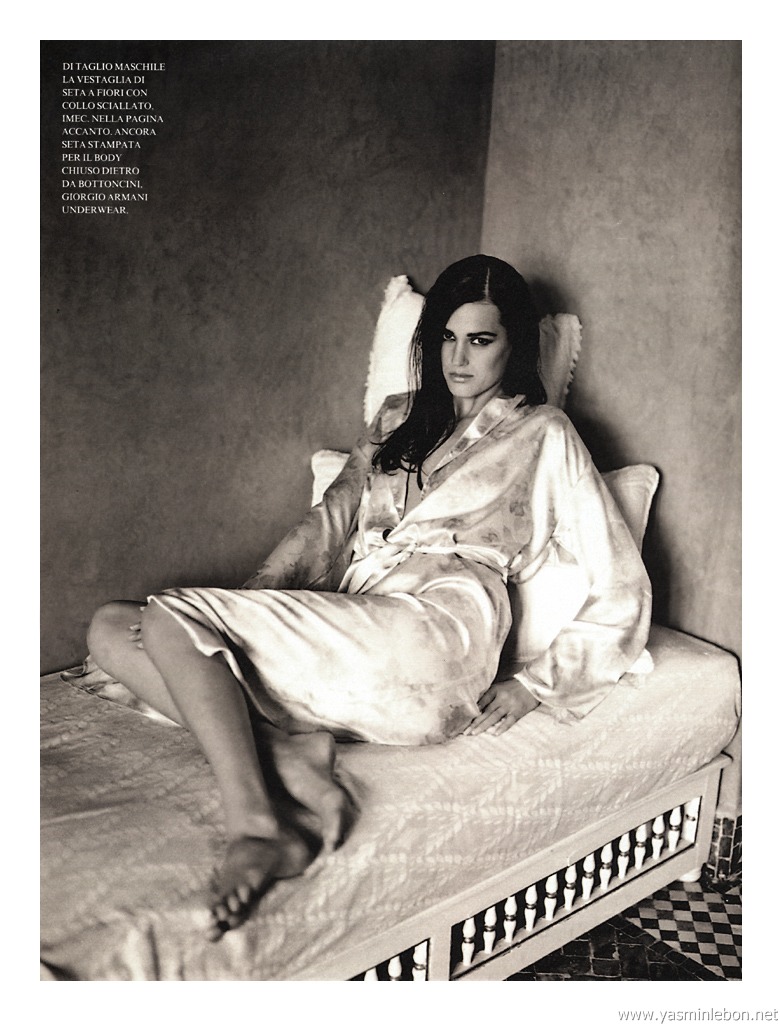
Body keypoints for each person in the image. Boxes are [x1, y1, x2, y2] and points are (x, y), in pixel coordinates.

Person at [87, 254, 651, 942]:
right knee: (112, 627)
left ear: (516, 344)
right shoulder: (396, 419)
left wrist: (535, 685)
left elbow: (622, 583)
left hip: (439, 634)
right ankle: (287, 755)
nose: (458, 358)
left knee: (172, 620)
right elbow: (325, 528)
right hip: (362, 621)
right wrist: (238, 613)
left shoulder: (544, 433)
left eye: (480, 340)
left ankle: (257, 825)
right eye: (446, 337)